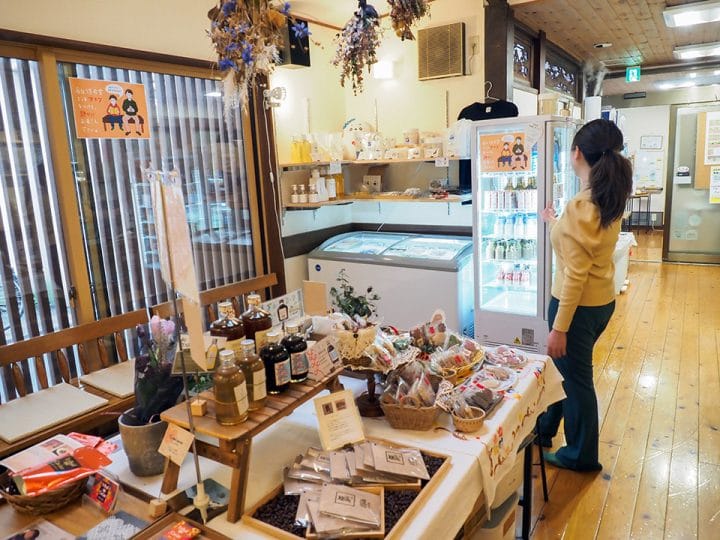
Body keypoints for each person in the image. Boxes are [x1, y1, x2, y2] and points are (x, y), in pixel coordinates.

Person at [537, 119, 632, 472]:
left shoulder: (581, 206)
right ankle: (545, 429)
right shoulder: (610, 197)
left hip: (574, 310)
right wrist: (554, 222)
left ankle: (580, 455)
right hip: (601, 302)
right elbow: (584, 244)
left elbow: (575, 274)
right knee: (565, 372)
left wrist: (559, 328)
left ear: (576, 153)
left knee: (576, 382)